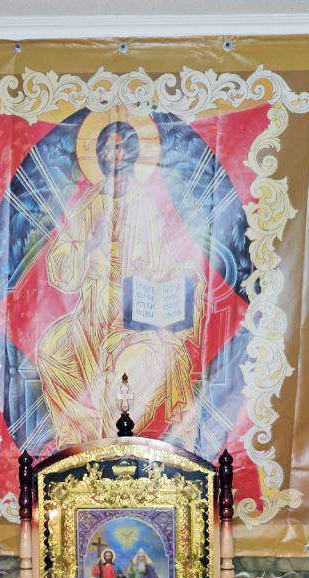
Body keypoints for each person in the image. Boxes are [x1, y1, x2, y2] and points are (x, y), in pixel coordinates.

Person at [36, 119, 204, 444]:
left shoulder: (146, 204)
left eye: (121, 148)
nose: (114, 155)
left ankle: (115, 443)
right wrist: (88, 247)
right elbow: (61, 262)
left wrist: (185, 275)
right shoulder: (90, 202)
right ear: (98, 155)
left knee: (126, 373)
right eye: (108, 148)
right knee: (50, 353)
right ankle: (79, 438)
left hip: (131, 314)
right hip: (92, 309)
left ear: (133, 153)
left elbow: (164, 261)